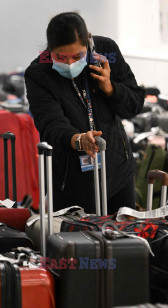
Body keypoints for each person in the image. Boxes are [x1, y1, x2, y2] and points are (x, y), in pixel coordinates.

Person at [25, 12, 144, 214]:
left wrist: (110, 88)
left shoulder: (107, 51)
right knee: (78, 243)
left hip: (117, 170)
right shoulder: (38, 73)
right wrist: (77, 139)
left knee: (124, 241)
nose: (70, 64)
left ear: (88, 42)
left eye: (77, 56)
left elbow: (134, 105)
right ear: (49, 50)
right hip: (70, 181)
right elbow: (50, 123)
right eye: (60, 57)